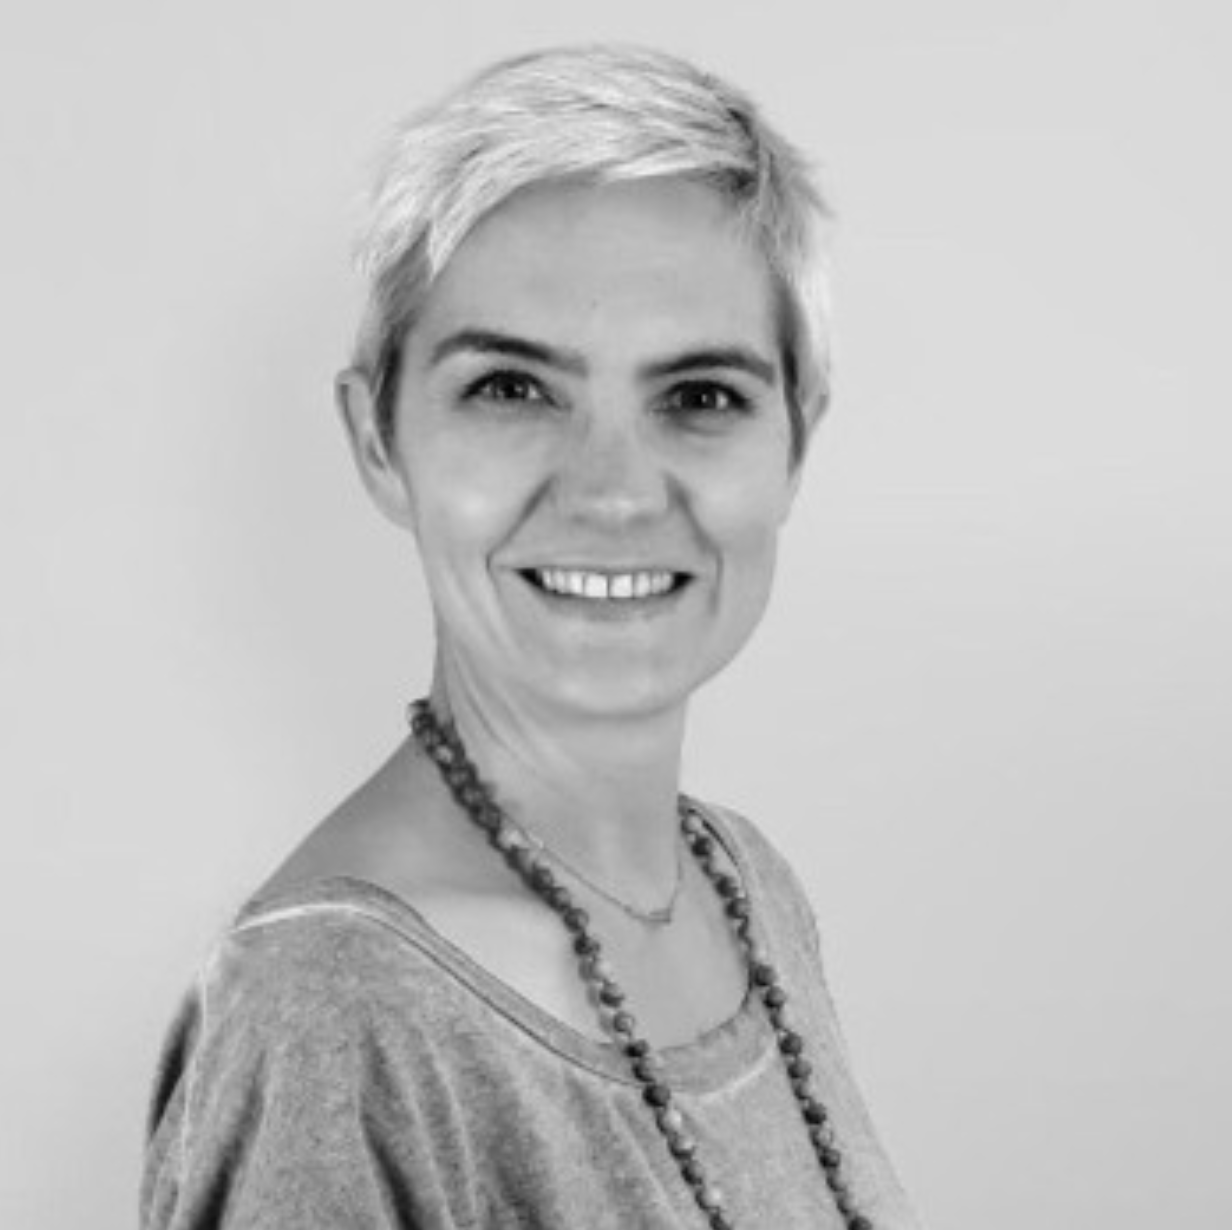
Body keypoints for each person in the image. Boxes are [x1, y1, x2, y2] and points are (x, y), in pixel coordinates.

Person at [140, 43, 920, 1230]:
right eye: (510, 388)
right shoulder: (332, 1015)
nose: (612, 493)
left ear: (794, 445)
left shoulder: (745, 889)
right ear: (377, 442)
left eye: (699, 396)